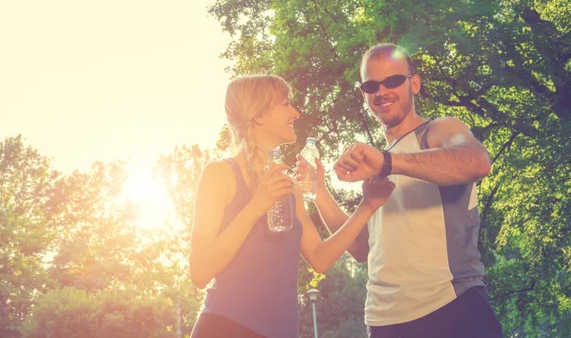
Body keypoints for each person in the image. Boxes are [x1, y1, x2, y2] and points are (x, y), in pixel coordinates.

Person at [312, 43, 503, 338]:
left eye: (392, 81)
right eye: (371, 85)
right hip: (384, 321)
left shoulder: (438, 130)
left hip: (451, 306)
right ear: (364, 94)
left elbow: (477, 162)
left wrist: (387, 162)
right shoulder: (379, 167)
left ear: (414, 83)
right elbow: (362, 248)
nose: (381, 91)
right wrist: (318, 190)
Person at [189, 74, 395, 338]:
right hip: (225, 327)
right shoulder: (219, 174)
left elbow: (319, 258)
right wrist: (256, 206)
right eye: (286, 104)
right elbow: (200, 272)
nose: (296, 113)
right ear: (259, 115)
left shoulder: (290, 187)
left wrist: (367, 207)